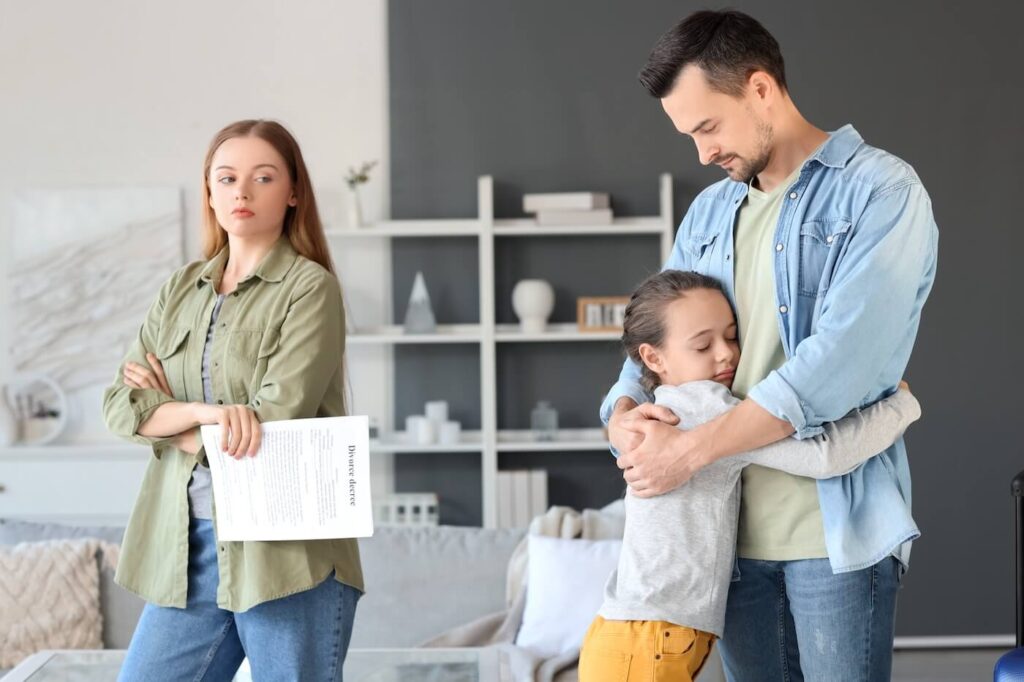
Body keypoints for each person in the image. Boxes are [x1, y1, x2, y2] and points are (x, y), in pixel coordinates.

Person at [600, 10, 938, 681]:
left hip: (832, 535)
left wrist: (687, 451)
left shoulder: (881, 191)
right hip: (726, 544)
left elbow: (836, 366)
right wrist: (622, 415)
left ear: (760, 89)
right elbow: (651, 343)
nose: (701, 153)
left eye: (707, 127)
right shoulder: (708, 213)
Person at [103, 119, 361, 681]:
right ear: (211, 192)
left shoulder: (310, 288)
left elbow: (273, 420)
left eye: (262, 177)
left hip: (286, 554)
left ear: (292, 193)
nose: (241, 192)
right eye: (226, 178)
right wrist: (205, 415)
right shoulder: (179, 289)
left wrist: (167, 418)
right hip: (187, 546)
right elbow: (121, 406)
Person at [580, 270, 920, 682]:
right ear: (653, 358)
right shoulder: (704, 408)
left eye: (731, 336)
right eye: (703, 345)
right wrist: (900, 407)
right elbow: (825, 457)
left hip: (624, 636)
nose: (725, 355)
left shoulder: (657, 410)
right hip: (650, 643)